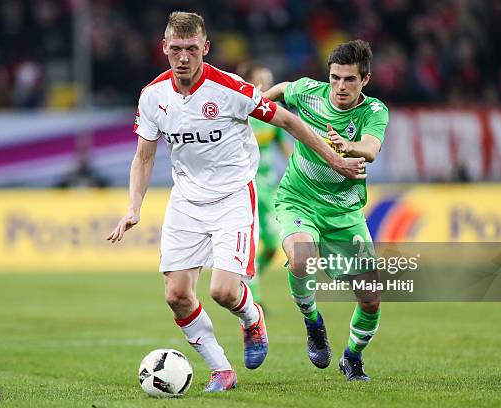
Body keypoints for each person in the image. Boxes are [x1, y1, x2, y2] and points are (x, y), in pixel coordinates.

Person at [107, 12, 366, 392]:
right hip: (186, 200)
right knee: (176, 295)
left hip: (232, 197)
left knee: (223, 291)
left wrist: (336, 160)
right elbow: (144, 157)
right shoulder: (153, 97)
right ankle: (221, 371)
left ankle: (251, 318)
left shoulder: (230, 89)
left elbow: (289, 122)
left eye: (191, 49)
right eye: (175, 49)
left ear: (205, 48)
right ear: (164, 48)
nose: (183, 58)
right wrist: (134, 208)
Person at [263, 39, 389, 381]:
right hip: (298, 198)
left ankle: (352, 357)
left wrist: (348, 146)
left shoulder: (373, 112)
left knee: (372, 298)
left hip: (344, 212)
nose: (340, 86)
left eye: (349, 79)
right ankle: (312, 321)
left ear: (365, 80)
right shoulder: (309, 92)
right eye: (335, 77)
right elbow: (281, 90)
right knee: (302, 257)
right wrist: (255, 108)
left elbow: (372, 149)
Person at [236, 62, 292, 308]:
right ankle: (254, 298)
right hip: (243, 187)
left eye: (269, 81)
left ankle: (248, 281)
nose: (266, 86)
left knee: (271, 244)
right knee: (251, 242)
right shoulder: (239, 113)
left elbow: (286, 149)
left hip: (269, 188)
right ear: (247, 83)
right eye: (260, 81)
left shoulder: (273, 112)